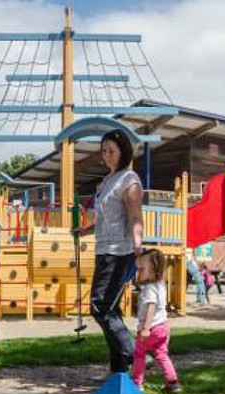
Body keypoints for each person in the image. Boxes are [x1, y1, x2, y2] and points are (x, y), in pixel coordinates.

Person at [75, 129, 143, 376]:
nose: (107, 156)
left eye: (111, 151)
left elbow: (135, 215)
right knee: (111, 309)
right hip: (103, 249)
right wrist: (85, 231)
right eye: (103, 151)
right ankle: (119, 372)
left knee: (100, 306)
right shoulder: (107, 181)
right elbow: (106, 218)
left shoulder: (129, 179)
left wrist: (138, 246)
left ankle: (134, 354)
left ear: (123, 151)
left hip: (120, 251)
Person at [132, 249, 181, 394]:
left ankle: (137, 383)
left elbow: (151, 306)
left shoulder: (149, 288)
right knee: (161, 354)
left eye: (141, 268)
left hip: (151, 328)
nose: (138, 272)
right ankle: (173, 382)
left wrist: (145, 328)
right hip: (163, 327)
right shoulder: (161, 285)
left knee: (139, 353)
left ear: (153, 269)